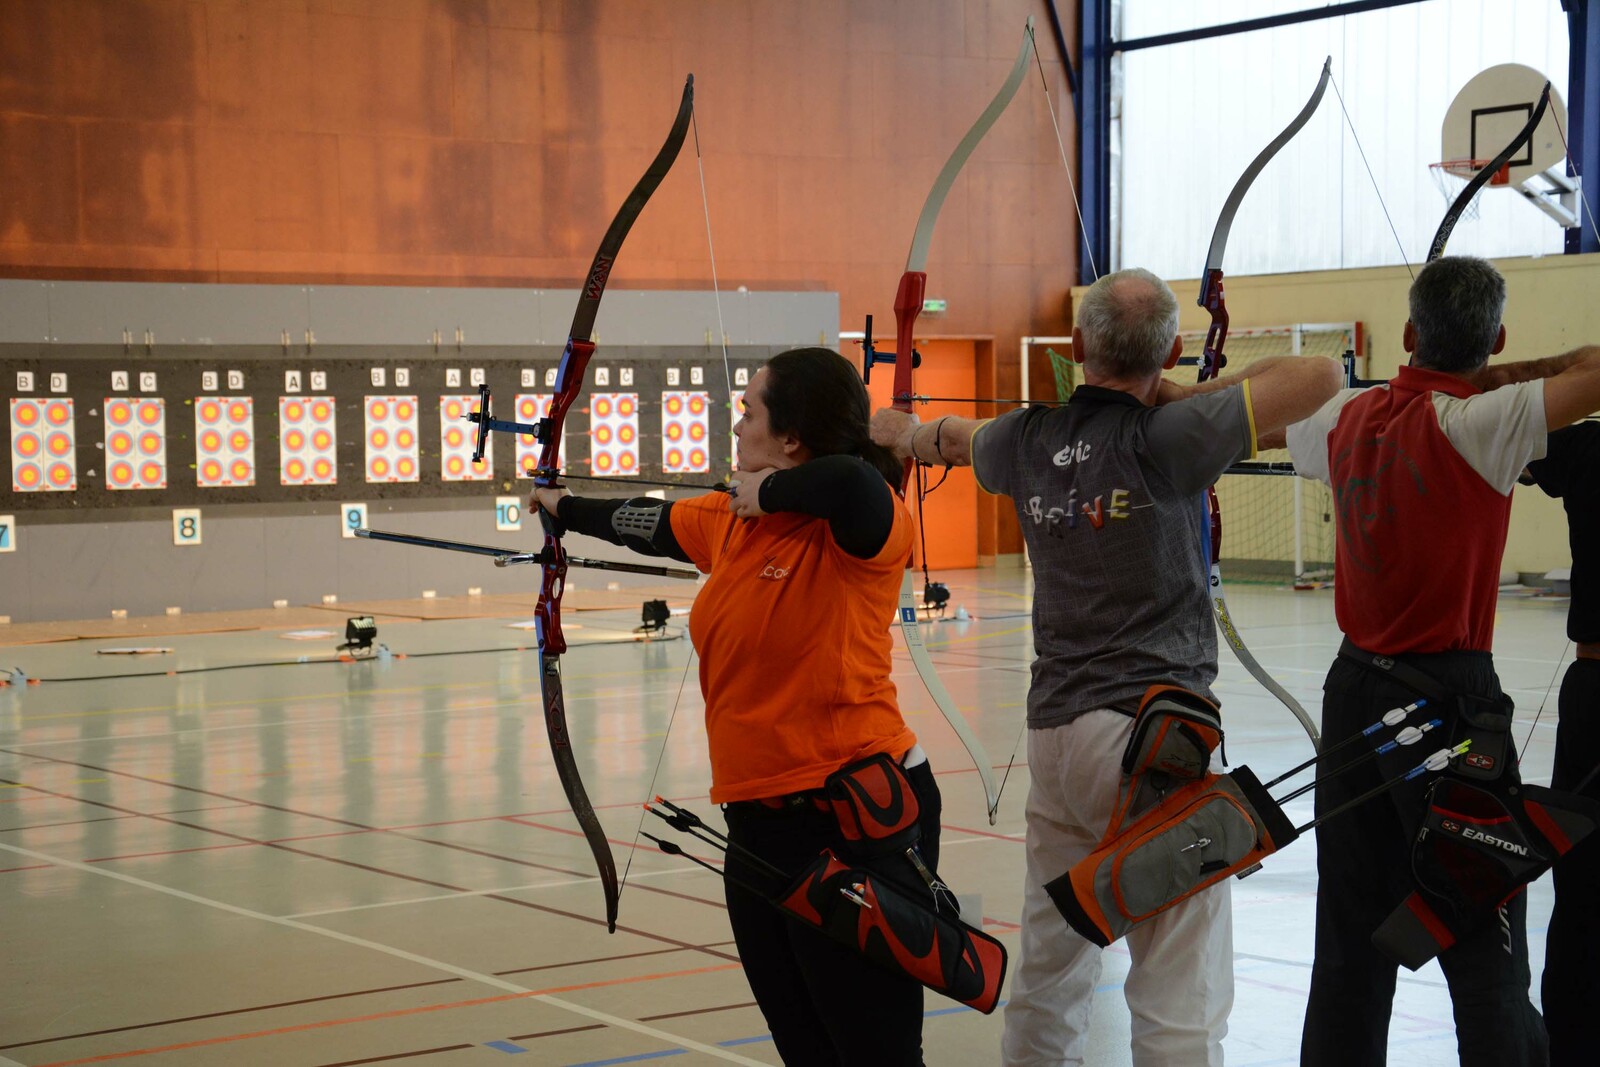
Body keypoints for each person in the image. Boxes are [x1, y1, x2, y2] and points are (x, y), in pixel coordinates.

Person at [872, 267, 1342, 1067]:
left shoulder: (1024, 438)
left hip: (1057, 738)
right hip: (1154, 741)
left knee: (1051, 969)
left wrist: (899, 431)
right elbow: (1322, 373)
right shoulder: (1172, 436)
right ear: (1173, 348)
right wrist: (1181, 392)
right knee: (1179, 992)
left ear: (1077, 345)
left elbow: (949, 437)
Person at [531, 347, 941, 1066]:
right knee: (803, 1046)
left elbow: (850, 480)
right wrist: (561, 506)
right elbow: (647, 521)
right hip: (755, 823)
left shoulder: (863, 526)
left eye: (749, 411)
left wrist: (772, 493)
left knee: (874, 1052)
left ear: (791, 436)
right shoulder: (732, 519)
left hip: (850, 817)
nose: (736, 425)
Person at [1284, 255, 1600, 1067]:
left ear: (1406, 333)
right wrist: (1500, 370)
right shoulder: (1485, 422)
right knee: (1482, 935)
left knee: (1349, 935)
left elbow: (1281, 411)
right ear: (1496, 339)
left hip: (1353, 694)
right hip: (1445, 701)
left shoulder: (1342, 416)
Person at [1523, 421, 1600, 1067]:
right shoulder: (1588, 448)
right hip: (1594, 690)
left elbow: (1506, 425)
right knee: (1580, 882)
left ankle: (1573, 1047)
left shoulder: (1587, 447)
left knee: (1582, 888)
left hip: (1595, 691)